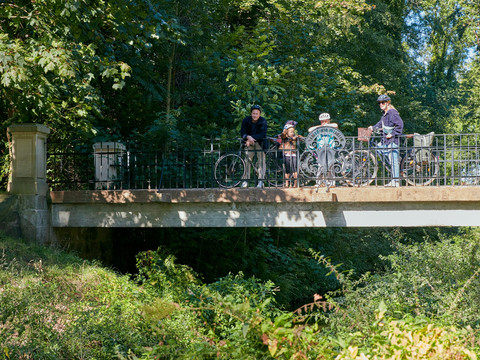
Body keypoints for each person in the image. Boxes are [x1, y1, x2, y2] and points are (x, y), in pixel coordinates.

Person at [368, 94, 404, 187]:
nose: (381, 104)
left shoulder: (392, 112)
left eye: (383, 102)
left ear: (388, 103)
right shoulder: (385, 114)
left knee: (392, 159)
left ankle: (395, 181)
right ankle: (396, 160)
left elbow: (400, 125)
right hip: (386, 141)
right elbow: (380, 124)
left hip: (393, 140)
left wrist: (392, 134)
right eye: (379, 103)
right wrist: (372, 127)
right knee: (379, 148)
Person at [240, 104, 268, 188]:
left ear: (259, 114)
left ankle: (261, 181)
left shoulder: (263, 121)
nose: (255, 115)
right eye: (253, 113)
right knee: (247, 161)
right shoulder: (246, 120)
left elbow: (263, 134)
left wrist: (251, 138)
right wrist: (248, 138)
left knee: (261, 162)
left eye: (256, 113)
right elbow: (242, 132)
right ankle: (246, 180)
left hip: (260, 143)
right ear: (251, 113)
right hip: (249, 143)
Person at [308, 113, 338, 186]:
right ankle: (319, 182)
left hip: (330, 148)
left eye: (325, 121)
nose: (324, 122)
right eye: (322, 121)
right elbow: (310, 130)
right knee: (320, 165)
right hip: (321, 149)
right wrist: (321, 126)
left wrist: (326, 125)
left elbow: (336, 125)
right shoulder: (319, 128)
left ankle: (331, 182)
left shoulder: (331, 127)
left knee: (330, 165)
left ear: (328, 120)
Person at [279, 122, 302, 187]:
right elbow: (282, 135)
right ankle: (287, 183)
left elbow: (300, 138)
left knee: (294, 169)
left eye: (293, 132)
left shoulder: (295, 137)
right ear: (287, 132)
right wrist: (284, 132)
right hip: (287, 154)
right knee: (287, 169)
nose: (292, 133)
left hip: (293, 154)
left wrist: (296, 137)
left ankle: (295, 183)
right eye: (290, 132)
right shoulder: (284, 137)